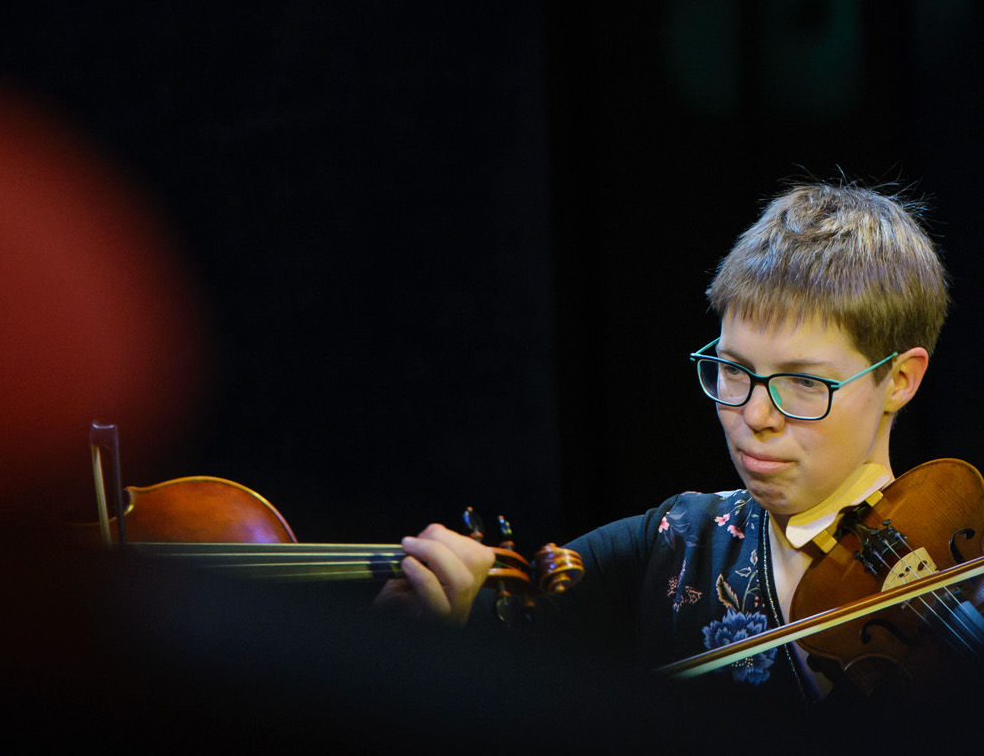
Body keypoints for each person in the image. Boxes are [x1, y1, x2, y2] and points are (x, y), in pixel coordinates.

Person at [378, 180, 944, 700]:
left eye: (803, 382)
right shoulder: (670, 548)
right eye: (734, 370)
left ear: (900, 379)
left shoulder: (978, 573)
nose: (754, 415)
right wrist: (441, 626)